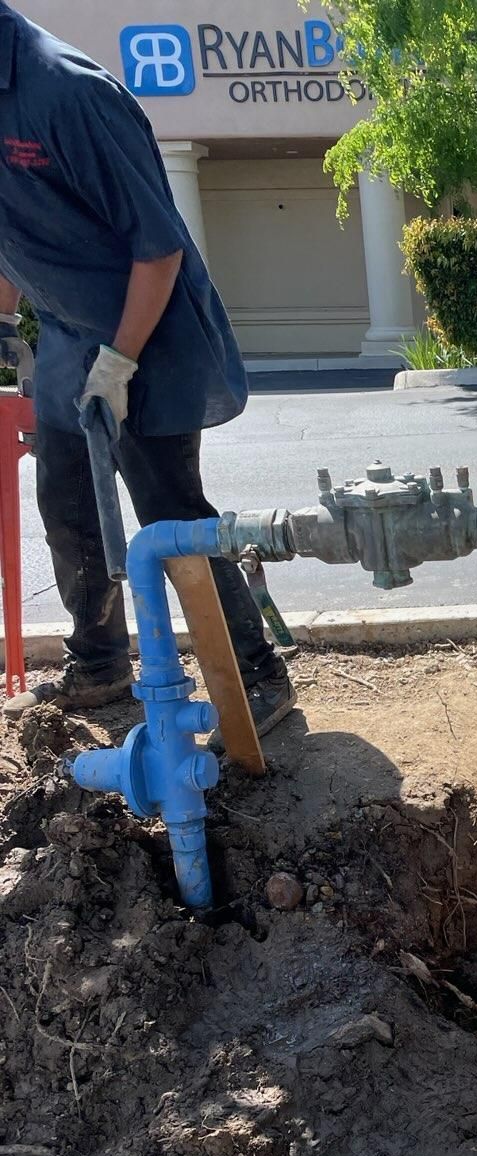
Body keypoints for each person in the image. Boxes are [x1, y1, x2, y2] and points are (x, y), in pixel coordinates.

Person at [0, 1, 295, 736]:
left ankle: (261, 675)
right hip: (70, 336)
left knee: (171, 515)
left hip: (149, 334)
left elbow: (158, 250)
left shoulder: (67, 92)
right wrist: (4, 324)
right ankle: (99, 663)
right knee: (66, 505)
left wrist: (119, 364)